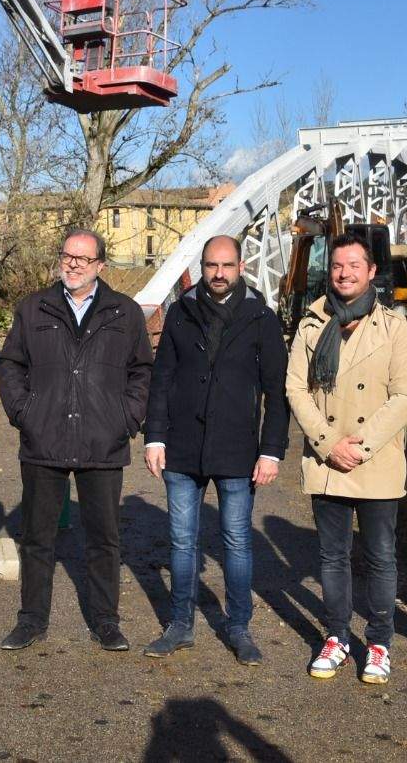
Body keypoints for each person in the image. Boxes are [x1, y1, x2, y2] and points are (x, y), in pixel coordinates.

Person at [0, 228, 153, 652]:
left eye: (84, 259)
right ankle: (31, 620)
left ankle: (106, 620)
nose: (74, 264)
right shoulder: (34, 308)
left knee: (104, 538)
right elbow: (10, 364)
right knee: (37, 537)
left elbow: (142, 372)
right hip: (43, 438)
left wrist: (126, 419)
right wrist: (23, 413)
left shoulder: (125, 312)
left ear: (101, 265)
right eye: (68, 256)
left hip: (102, 441)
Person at [142, 235, 289, 665]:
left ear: (240, 266)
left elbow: (275, 392)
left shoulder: (261, 316)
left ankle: (238, 626)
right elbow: (162, 379)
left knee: (237, 541)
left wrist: (272, 450)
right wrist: (154, 437)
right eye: (211, 266)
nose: (219, 274)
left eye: (226, 265)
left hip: (238, 449)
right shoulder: (181, 313)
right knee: (182, 541)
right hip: (183, 447)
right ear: (202, 267)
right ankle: (180, 625)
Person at [285, 232, 407, 684]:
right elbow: (295, 389)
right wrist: (328, 444)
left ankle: (379, 642)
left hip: (375, 459)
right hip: (328, 459)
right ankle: (338, 636)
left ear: (371, 271)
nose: (344, 274)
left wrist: (360, 446)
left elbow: (404, 396)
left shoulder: (393, 325)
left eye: (354, 266)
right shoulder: (312, 322)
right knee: (332, 556)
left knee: (381, 556)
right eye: (338, 266)